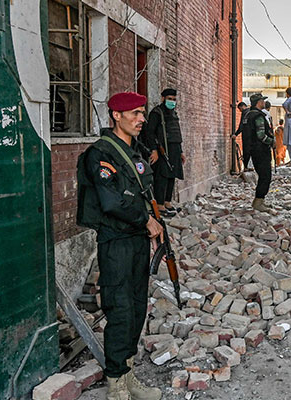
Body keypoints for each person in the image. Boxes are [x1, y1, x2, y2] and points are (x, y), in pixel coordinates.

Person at [76, 92, 163, 400]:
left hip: (138, 240)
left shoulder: (136, 151)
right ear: (116, 115)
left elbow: (143, 193)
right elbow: (112, 202)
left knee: (138, 308)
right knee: (121, 309)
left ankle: (128, 374)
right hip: (115, 242)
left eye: (142, 113)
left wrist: (153, 225)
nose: (142, 119)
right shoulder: (101, 153)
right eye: (135, 114)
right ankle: (116, 385)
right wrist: (145, 220)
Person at [144, 88, 185, 217]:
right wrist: (154, 150)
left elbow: (176, 133)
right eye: (169, 99)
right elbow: (149, 133)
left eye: (174, 99)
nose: (172, 102)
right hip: (162, 150)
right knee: (161, 177)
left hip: (174, 150)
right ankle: (160, 204)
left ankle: (167, 202)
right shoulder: (156, 113)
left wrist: (181, 152)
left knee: (172, 175)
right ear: (163, 98)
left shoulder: (173, 113)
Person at [243, 93, 275, 212]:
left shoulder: (248, 115)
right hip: (260, 151)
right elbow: (261, 135)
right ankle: (258, 201)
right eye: (262, 100)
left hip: (252, 151)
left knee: (262, 175)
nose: (264, 102)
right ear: (258, 102)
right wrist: (272, 141)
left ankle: (259, 201)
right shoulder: (258, 116)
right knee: (265, 176)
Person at [232, 101, 252, 171]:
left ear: (242, 106)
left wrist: (235, 134)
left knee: (246, 151)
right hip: (252, 136)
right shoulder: (251, 112)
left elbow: (241, 126)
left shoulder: (245, 113)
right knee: (251, 151)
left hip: (246, 136)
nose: (240, 111)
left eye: (240, 109)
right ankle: (250, 166)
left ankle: (246, 167)